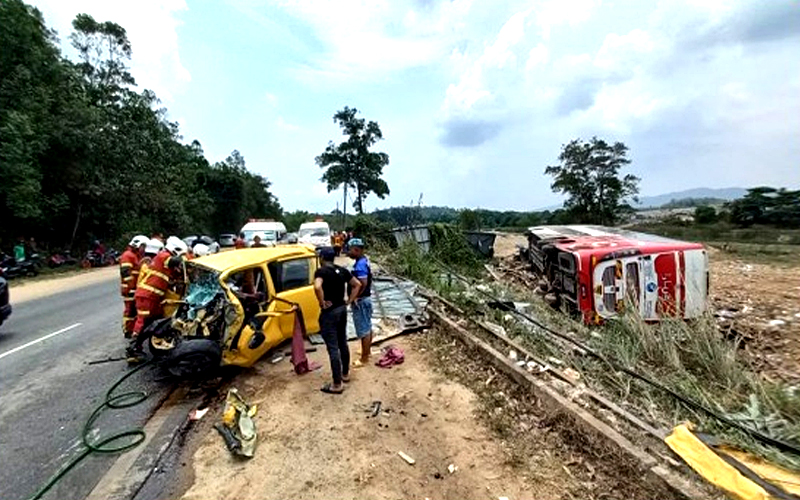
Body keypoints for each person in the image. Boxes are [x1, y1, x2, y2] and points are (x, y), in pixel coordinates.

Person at [128, 236, 188, 363]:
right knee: (143, 322)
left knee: (154, 322)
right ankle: (133, 350)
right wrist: (187, 258)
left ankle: (148, 345)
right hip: (147, 296)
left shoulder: (163, 261)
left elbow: (173, 276)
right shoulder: (163, 256)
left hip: (153, 297)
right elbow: (176, 261)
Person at [314, 247, 361, 394]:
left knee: (333, 347)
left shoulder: (321, 272)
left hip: (329, 313)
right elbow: (357, 284)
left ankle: (336, 384)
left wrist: (321, 302)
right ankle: (345, 374)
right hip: (341, 310)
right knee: (342, 342)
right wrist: (349, 300)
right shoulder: (342, 270)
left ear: (322, 258)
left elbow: (317, 286)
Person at [347, 238, 374, 367]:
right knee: (367, 326)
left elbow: (363, 283)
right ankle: (367, 350)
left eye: (350, 250)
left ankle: (364, 358)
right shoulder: (363, 261)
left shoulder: (360, 265)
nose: (348, 252)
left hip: (362, 300)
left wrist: (356, 296)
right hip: (366, 299)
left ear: (357, 250)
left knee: (363, 330)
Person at [119, 235, 148, 338]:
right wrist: (131, 287)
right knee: (130, 311)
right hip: (129, 289)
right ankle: (128, 330)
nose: (144, 249)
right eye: (143, 247)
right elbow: (125, 272)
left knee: (133, 310)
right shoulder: (128, 255)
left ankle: (131, 329)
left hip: (133, 288)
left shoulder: (135, 255)